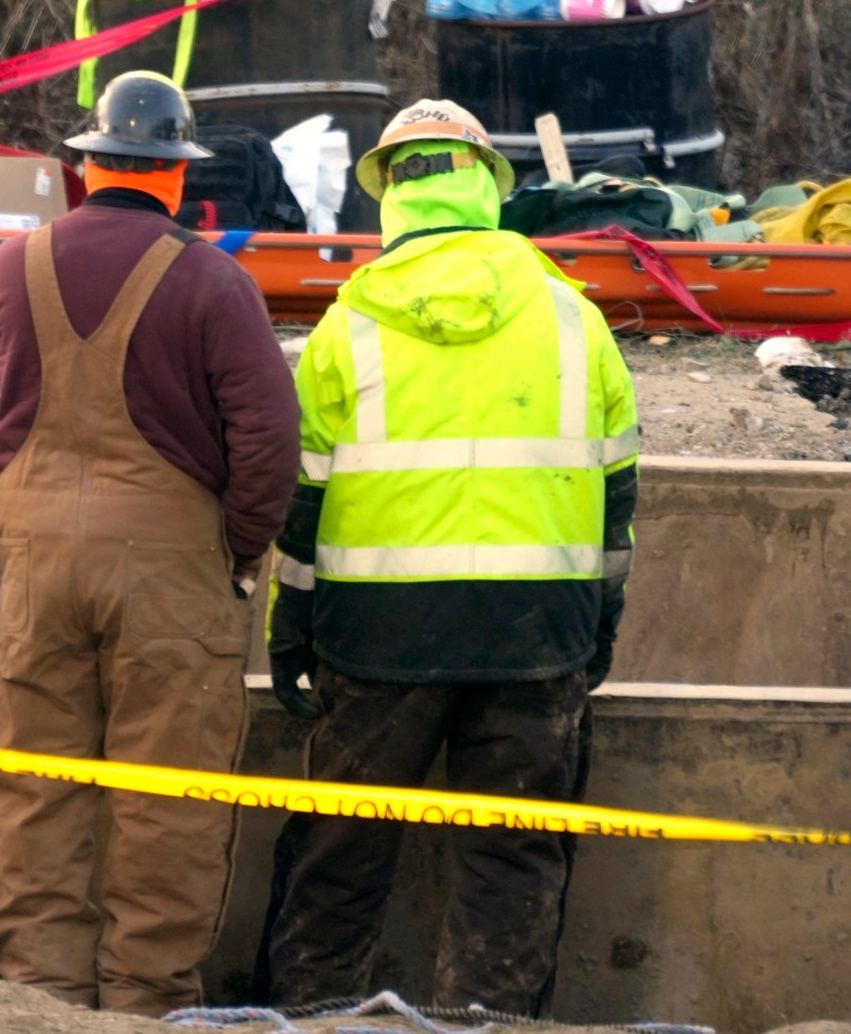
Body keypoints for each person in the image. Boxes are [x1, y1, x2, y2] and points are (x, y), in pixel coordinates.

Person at [262, 99, 639, 1016]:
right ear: (488, 188)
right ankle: (490, 1024)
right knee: (512, 864)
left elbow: (301, 508)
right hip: (535, 633)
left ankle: (314, 1019)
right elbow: (616, 498)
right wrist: (598, 627)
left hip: (376, 638)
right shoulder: (572, 321)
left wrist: (292, 627)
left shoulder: (345, 328)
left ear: (388, 191)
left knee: (339, 856)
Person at [0, 70, 301, 1014]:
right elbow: (268, 438)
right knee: (170, 802)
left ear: (85, 167)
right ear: (175, 175)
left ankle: (38, 1001)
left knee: (38, 788)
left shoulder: (9, 268)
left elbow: (4, 380)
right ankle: (146, 1004)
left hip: (36, 566)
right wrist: (237, 548)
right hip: (168, 571)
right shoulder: (209, 277)